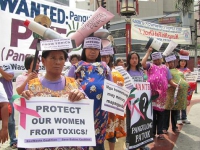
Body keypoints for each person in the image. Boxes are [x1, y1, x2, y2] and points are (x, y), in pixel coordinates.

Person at [21, 39, 86, 150]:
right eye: (53, 58)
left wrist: (81, 96)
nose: (57, 62)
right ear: (43, 60)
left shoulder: (73, 84)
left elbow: (85, 110)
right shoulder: (32, 86)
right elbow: (26, 119)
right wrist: (24, 102)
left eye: (61, 58)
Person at [68, 36, 113, 150]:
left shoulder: (105, 66)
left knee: (99, 144)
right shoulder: (76, 67)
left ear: (99, 51)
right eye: (89, 48)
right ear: (84, 49)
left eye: (96, 48)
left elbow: (112, 87)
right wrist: (74, 84)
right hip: (81, 111)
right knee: (82, 142)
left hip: (101, 111)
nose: (93, 51)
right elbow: (67, 86)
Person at [141, 48, 178, 140]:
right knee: (152, 114)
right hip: (152, 95)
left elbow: (169, 80)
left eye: (158, 59)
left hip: (162, 96)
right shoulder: (150, 66)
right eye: (155, 59)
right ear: (153, 60)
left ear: (161, 59)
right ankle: (153, 132)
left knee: (161, 115)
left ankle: (160, 132)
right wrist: (148, 52)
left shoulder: (166, 68)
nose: (157, 61)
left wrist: (176, 85)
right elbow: (143, 63)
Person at [101, 51, 126, 150]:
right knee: (100, 131)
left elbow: (123, 86)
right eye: (103, 56)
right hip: (100, 104)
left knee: (111, 131)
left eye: (107, 56)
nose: (106, 59)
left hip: (112, 105)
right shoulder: (96, 70)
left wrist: (120, 85)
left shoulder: (116, 71)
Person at [126, 51, 150, 150]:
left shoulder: (141, 71)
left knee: (141, 122)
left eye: (136, 58)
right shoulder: (126, 72)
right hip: (130, 102)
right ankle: (129, 142)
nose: (134, 60)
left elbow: (145, 83)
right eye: (132, 58)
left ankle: (142, 144)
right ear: (129, 59)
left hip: (141, 102)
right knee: (130, 122)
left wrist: (145, 76)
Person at [163, 55, 189, 134]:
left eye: (172, 62)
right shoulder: (164, 70)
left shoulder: (178, 71)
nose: (171, 64)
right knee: (166, 111)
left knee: (175, 111)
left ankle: (174, 127)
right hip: (168, 93)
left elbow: (183, 80)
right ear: (166, 63)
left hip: (176, 94)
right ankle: (165, 128)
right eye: (169, 62)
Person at [0, 65, 17, 148]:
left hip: (7, 98)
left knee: (10, 121)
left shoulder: (7, 65)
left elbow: (9, 77)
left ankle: (13, 140)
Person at [176, 56, 196, 124]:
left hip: (185, 90)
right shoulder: (176, 70)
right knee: (178, 103)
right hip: (178, 89)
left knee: (184, 103)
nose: (183, 62)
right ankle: (178, 118)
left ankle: (184, 117)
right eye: (181, 61)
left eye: (184, 61)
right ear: (179, 62)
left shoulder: (188, 70)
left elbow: (191, 80)